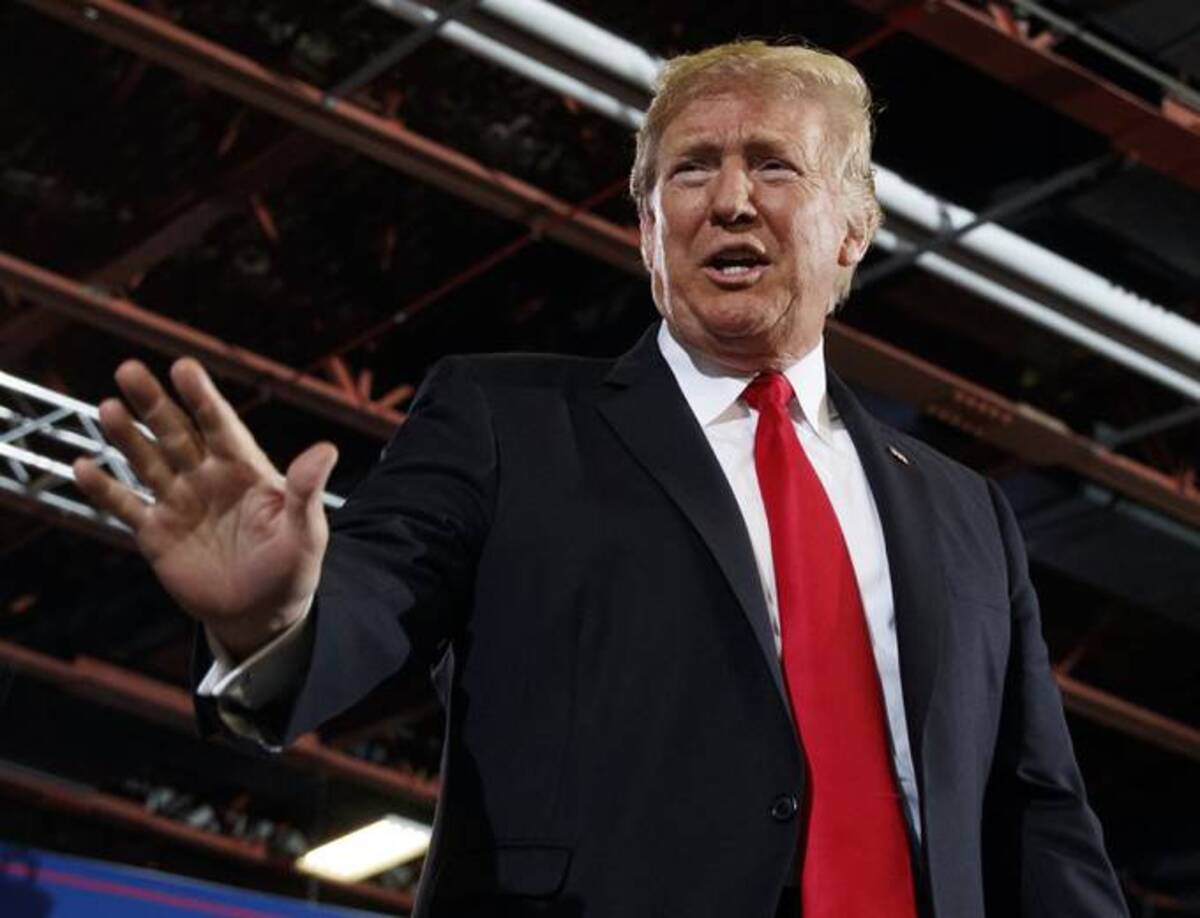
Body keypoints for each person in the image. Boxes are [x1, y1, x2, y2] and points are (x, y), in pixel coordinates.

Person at [74, 40, 1129, 918]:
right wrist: (277, 620)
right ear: (646, 231)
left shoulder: (965, 511)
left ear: (852, 228)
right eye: (688, 169)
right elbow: (379, 593)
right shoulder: (507, 421)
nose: (727, 201)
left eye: (772, 166)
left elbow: (1038, 806)